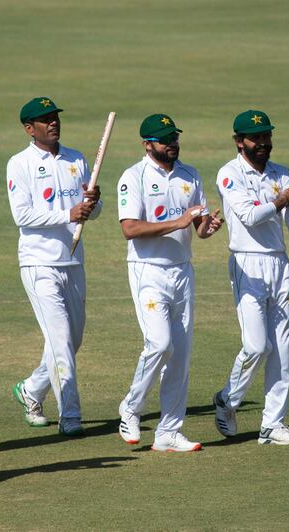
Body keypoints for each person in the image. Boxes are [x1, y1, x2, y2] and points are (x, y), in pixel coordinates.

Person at [116, 114, 224, 452]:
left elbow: (199, 227)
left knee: (181, 353)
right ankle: (131, 408)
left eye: (174, 138)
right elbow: (130, 228)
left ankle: (168, 432)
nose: (172, 145)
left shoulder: (189, 175)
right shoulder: (133, 177)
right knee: (160, 344)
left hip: (182, 271)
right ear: (148, 144)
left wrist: (208, 228)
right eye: (165, 141)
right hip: (148, 270)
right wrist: (177, 222)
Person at [212, 110, 289, 445]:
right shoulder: (229, 174)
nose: (264, 143)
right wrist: (280, 199)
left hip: (280, 265)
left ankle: (273, 425)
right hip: (247, 264)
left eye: (267, 136)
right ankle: (227, 400)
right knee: (256, 346)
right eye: (256, 138)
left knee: (281, 351)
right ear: (240, 141)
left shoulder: (283, 173)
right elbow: (250, 216)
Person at [7, 97, 102, 437]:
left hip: (73, 260)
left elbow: (94, 208)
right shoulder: (19, 164)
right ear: (29, 128)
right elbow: (22, 215)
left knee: (70, 341)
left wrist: (93, 202)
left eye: (55, 117)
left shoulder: (76, 158)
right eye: (45, 120)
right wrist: (68, 214)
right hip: (39, 262)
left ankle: (31, 390)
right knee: (60, 339)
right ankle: (71, 415)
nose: (53, 123)